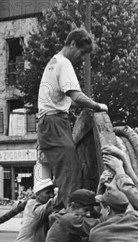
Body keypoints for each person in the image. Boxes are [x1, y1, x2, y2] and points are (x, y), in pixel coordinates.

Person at [37, 28, 108, 210]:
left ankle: (63, 212)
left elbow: (67, 102)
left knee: (64, 174)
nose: (81, 57)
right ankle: (69, 218)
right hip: (55, 123)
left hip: (49, 124)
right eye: (82, 52)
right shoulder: (64, 63)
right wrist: (98, 106)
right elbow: (77, 97)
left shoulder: (53, 62)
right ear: (73, 44)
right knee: (70, 174)